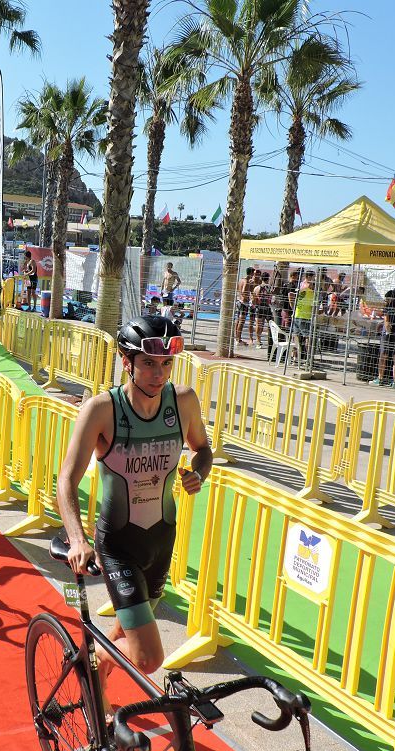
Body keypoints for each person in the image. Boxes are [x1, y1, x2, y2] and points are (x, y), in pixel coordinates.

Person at [56, 315, 212, 715]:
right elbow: (66, 481)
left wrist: (197, 472)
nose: (158, 374)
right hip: (118, 545)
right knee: (147, 657)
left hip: (161, 541)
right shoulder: (102, 410)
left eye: (166, 365)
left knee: (127, 629)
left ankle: (91, 672)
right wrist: (77, 538)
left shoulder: (184, 401)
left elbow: (202, 448)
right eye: (148, 363)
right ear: (127, 362)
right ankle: (88, 664)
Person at [371, 289, 395, 387]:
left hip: (388, 335)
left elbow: (387, 322)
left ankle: (380, 379)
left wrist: (387, 332)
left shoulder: (388, 307)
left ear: (389, 298)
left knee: (383, 357)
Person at [234, 267, 255, 346]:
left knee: (238, 321)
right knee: (241, 322)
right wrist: (249, 299)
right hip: (244, 303)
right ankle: (238, 339)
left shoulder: (242, 280)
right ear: (251, 273)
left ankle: (237, 338)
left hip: (239, 301)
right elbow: (243, 292)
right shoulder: (246, 281)